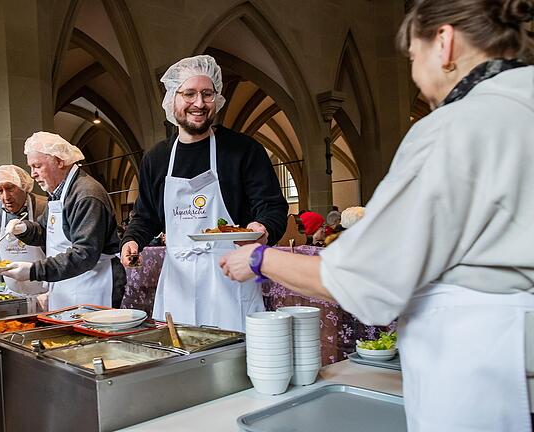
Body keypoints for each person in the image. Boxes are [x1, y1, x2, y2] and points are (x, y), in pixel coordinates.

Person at [220, 1, 534, 429]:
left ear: (444, 43)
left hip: (489, 365)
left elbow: (366, 277)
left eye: (412, 57)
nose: (415, 77)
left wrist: (259, 259)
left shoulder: (458, 126)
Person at [119, 55, 288, 332]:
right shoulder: (157, 158)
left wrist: (264, 227)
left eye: (207, 94)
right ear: (172, 99)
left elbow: (272, 207)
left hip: (231, 280)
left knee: (233, 364)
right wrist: (132, 240)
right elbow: (146, 215)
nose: (199, 103)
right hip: (178, 285)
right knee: (179, 360)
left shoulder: (243, 150)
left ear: (216, 98)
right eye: (189, 93)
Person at [1, 132, 126, 310]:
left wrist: (34, 271)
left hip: (94, 282)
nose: (33, 174)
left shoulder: (86, 195)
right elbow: (46, 232)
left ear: (60, 161)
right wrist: (25, 229)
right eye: (31, 167)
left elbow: (84, 254)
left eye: (37, 166)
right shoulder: (59, 192)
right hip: (70, 282)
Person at [0, 165, 47, 298]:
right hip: (12, 293)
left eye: (10, 188)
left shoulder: (43, 206)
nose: (6, 196)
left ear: (23, 186)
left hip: (46, 292)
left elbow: (58, 249)